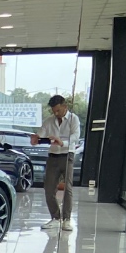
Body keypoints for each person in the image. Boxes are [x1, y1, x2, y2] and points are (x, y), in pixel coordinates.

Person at [33, 95, 81, 232]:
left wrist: (62, 142)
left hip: (67, 155)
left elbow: (75, 137)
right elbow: (41, 133)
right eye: (54, 111)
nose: (56, 113)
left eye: (58, 110)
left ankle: (67, 219)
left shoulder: (73, 119)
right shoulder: (49, 120)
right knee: (49, 188)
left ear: (65, 107)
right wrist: (36, 138)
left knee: (68, 188)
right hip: (53, 156)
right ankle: (55, 217)